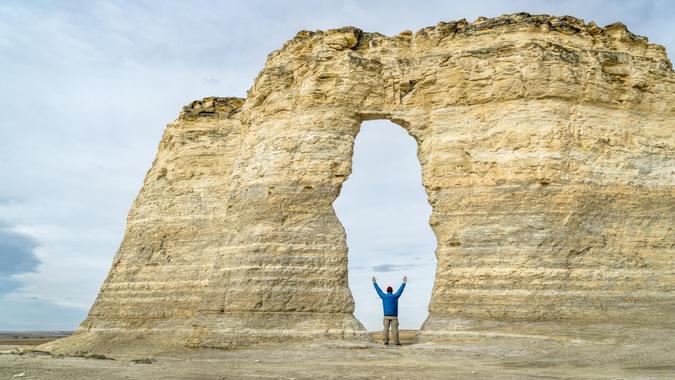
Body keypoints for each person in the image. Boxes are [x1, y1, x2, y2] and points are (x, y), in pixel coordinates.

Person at [372, 275, 407, 346]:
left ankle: (385, 342)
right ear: (392, 291)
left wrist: (374, 283)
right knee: (395, 330)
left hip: (386, 316)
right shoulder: (395, 296)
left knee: (385, 329)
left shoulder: (384, 296)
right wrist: (404, 282)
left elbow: (378, 291)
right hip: (394, 316)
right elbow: (400, 290)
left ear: (387, 291)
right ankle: (396, 342)